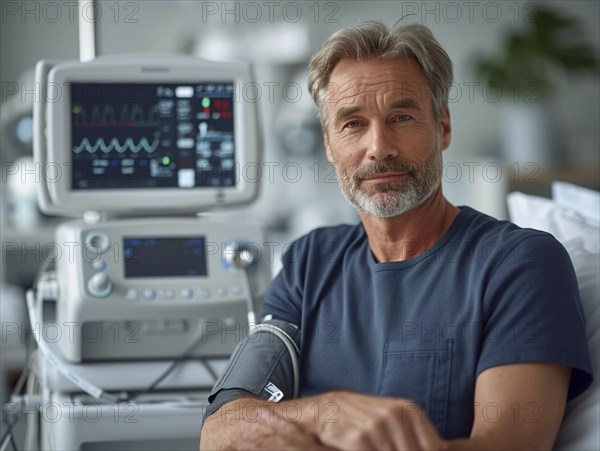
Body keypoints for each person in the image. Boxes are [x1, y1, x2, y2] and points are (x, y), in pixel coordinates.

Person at [200, 21, 592, 450]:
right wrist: (328, 414)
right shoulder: (307, 263)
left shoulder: (520, 264)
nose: (379, 147)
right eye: (352, 124)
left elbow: (510, 445)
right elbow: (222, 428)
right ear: (330, 144)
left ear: (442, 127)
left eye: (401, 117)